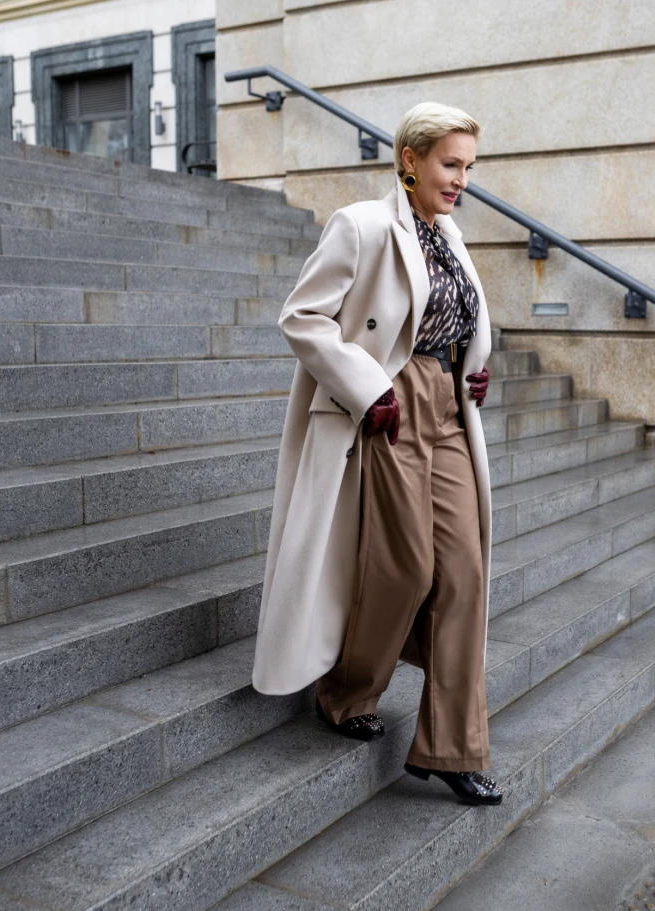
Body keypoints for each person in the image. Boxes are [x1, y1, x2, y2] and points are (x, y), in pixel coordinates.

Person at [251, 102, 502, 805]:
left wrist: (476, 364)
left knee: (465, 570)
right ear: (411, 159)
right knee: (407, 567)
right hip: (388, 409)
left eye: (468, 167)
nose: (461, 180)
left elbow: (457, 317)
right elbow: (301, 316)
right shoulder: (360, 226)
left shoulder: (450, 236)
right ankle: (347, 690)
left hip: (450, 409)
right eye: (451, 164)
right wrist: (367, 387)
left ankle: (454, 746)